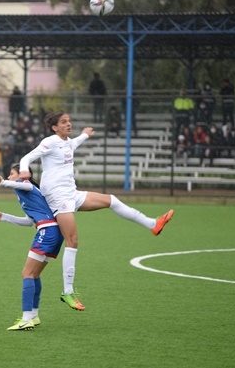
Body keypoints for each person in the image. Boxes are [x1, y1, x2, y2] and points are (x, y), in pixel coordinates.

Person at [18, 111, 173, 311]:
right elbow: (27, 157)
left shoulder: (67, 142)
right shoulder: (50, 141)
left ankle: (153, 224)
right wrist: (24, 170)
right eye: (64, 122)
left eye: (69, 121)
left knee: (112, 201)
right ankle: (68, 291)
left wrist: (85, 134)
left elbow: (74, 143)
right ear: (54, 127)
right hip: (58, 197)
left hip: (71, 193)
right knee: (72, 241)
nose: (68, 124)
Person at [0, 164, 64, 331]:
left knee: (27, 273)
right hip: (52, 231)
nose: (9, 177)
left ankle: (26, 318)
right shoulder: (23, 192)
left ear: (24, 175)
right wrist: (5, 217)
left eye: (11, 174)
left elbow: (21, 184)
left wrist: (2, 183)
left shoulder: (27, 186)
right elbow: (28, 222)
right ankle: (33, 316)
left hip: (48, 231)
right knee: (34, 274)